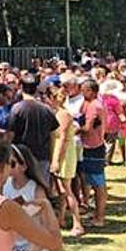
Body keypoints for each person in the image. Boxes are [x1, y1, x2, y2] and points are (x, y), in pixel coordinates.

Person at [6, 76, 59, 183]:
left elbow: (10, 135)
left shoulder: (16, 109)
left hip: (21, 157)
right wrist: (52, 157)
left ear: (21, 88)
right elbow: (53, 135)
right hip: (42, 157)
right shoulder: (46, 109)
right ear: (36, 89)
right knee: (41, 189)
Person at [46, 87, 84, 237]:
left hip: (64, 154)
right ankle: (60, 219)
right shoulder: (57, 113)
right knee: (61, 190)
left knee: (67, 190)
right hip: (59, 151)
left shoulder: (63, 115)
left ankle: (77, 223)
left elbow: (62, 138)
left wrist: (56, 160)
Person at [78, 79, 107, 227]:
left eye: (85, 90)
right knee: (91, 181)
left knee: (98, 184)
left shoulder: (95, 106)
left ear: (93, 91)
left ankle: (100, 217)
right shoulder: (89, 104)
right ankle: (95, 213)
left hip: (94, 147)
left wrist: (74, 128)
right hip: (89, 146)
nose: (82, 92)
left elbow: (88, 128)